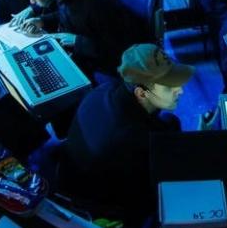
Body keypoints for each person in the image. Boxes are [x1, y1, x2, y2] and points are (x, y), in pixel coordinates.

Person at [63, 43, 193, 218]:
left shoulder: (104, 90)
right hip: (107, 207)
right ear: (141, 93)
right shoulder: (137, 139)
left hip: (77, 176)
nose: (181, 91)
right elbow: (166, 179)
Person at [16, 0, 149, 77]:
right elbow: (70, 15)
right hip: (85, 51)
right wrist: (42, 21)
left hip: (109, 65)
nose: (32, 3)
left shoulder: (94, 3)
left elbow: (118, 48)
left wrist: (77, 41)